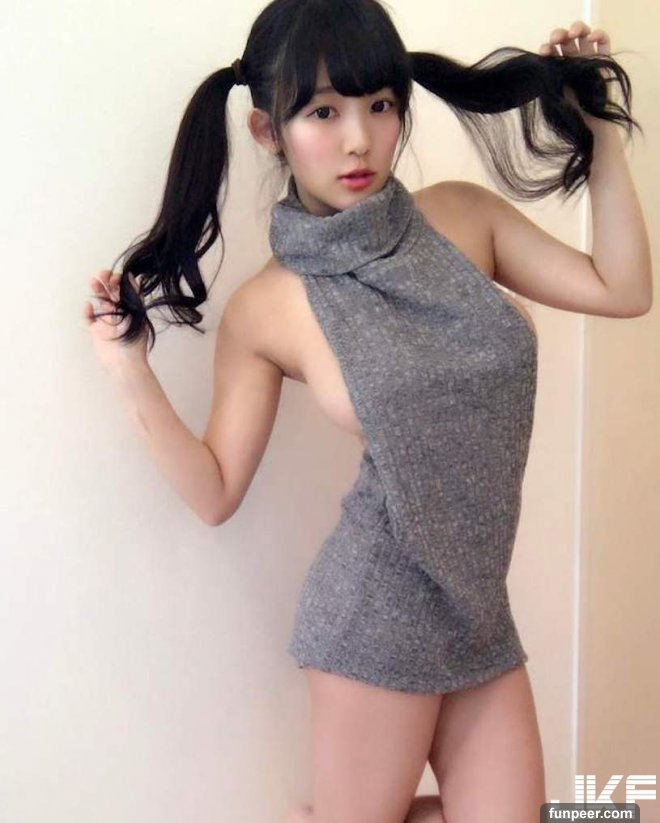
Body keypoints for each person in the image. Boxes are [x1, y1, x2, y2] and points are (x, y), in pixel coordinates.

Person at [82, 1, 652, 820]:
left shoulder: (463, 219)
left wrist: (598, 132)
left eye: (380, 105)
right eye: (323, 112)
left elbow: (623, 289)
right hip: (375, 621)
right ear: (267, 130)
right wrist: (128, 368)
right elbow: (215, 492)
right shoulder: (269, 306)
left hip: (479, 612)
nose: (358, 139)